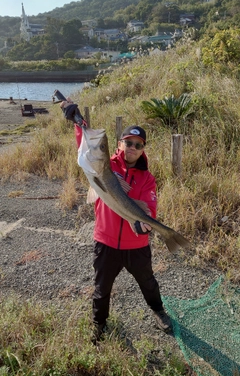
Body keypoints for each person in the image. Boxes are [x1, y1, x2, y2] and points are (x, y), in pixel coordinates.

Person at [60, 99, 172, 343]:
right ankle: (98, 325)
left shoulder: (147, 179)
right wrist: (78, 122)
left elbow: (148, 207)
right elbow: (88, 147)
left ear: (143, 149)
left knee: (148, 282)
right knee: (102, 289)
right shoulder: (105, 166)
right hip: (106, 242)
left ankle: (158, 310)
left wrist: (145, 224)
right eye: (128, 142)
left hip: (136, 245)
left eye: (137, 144)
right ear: (120, 143)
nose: (132, 147)